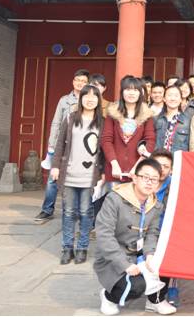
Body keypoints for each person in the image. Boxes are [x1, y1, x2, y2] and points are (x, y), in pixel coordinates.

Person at [94, 158, 176, 316]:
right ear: (135, 178)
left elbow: (152, 233)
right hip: (114, 256)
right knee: (137, 286)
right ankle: (108, 297)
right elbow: (104, 235)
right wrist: (125, 265)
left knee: (165, 260)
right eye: (145, 177)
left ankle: (155, 300)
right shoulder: (115, 199)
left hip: (139, 254)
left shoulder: (155, 204)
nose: (149, 182)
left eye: (154, 179)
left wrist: (150, 254)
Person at [52, 84, 103, 265]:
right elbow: (60, 144)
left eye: (94, 96)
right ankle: (67, 248)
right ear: (80, 98)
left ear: (99, 100)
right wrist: (55, 166)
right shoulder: (71, 118)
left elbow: (105, 150)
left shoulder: (103, 122)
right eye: (86, 95)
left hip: (90, 176)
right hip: (70, 174)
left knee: (85, 212)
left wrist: (103, 172)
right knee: (68, 212)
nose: (90, 99)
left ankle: (82, 248)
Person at [35, 68, 90, 222]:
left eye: (83, 81)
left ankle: (76, 211)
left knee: (77, 179)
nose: (80, 83)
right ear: (73, 81)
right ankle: (47, 210)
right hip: (62, 144)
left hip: (80, 146)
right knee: (53, 178)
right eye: (77, 80)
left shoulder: (89, 99)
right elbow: (56, 122)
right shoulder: (64, 100)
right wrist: (51, 144)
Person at [101, 76, 156, 188]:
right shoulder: (112, 113)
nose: (131, 93)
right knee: (113, 198)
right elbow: (106, 140)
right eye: (128, 89)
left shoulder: (147, 115)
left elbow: (150, 140)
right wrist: (114, 164)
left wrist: (137, 166)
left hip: (137, 172)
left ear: (140, 93)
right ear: (122, 92)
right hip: (114, 171)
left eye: (135, 90)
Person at [150, 150, 179, 307]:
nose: (161, 169)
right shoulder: (141, 183)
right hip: (142, 233)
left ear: (171, 169)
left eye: (166, 166)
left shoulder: (176, 184)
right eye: (157, 164)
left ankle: (171, 288)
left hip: (166, 233)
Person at [154, 84, 190, 153]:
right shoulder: (156, 119)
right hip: (158, 158)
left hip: (178, 158)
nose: (173, 98)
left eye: (176, 96)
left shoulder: (188, 121)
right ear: (164, 99)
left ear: (181, 99)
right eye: (169, 95)